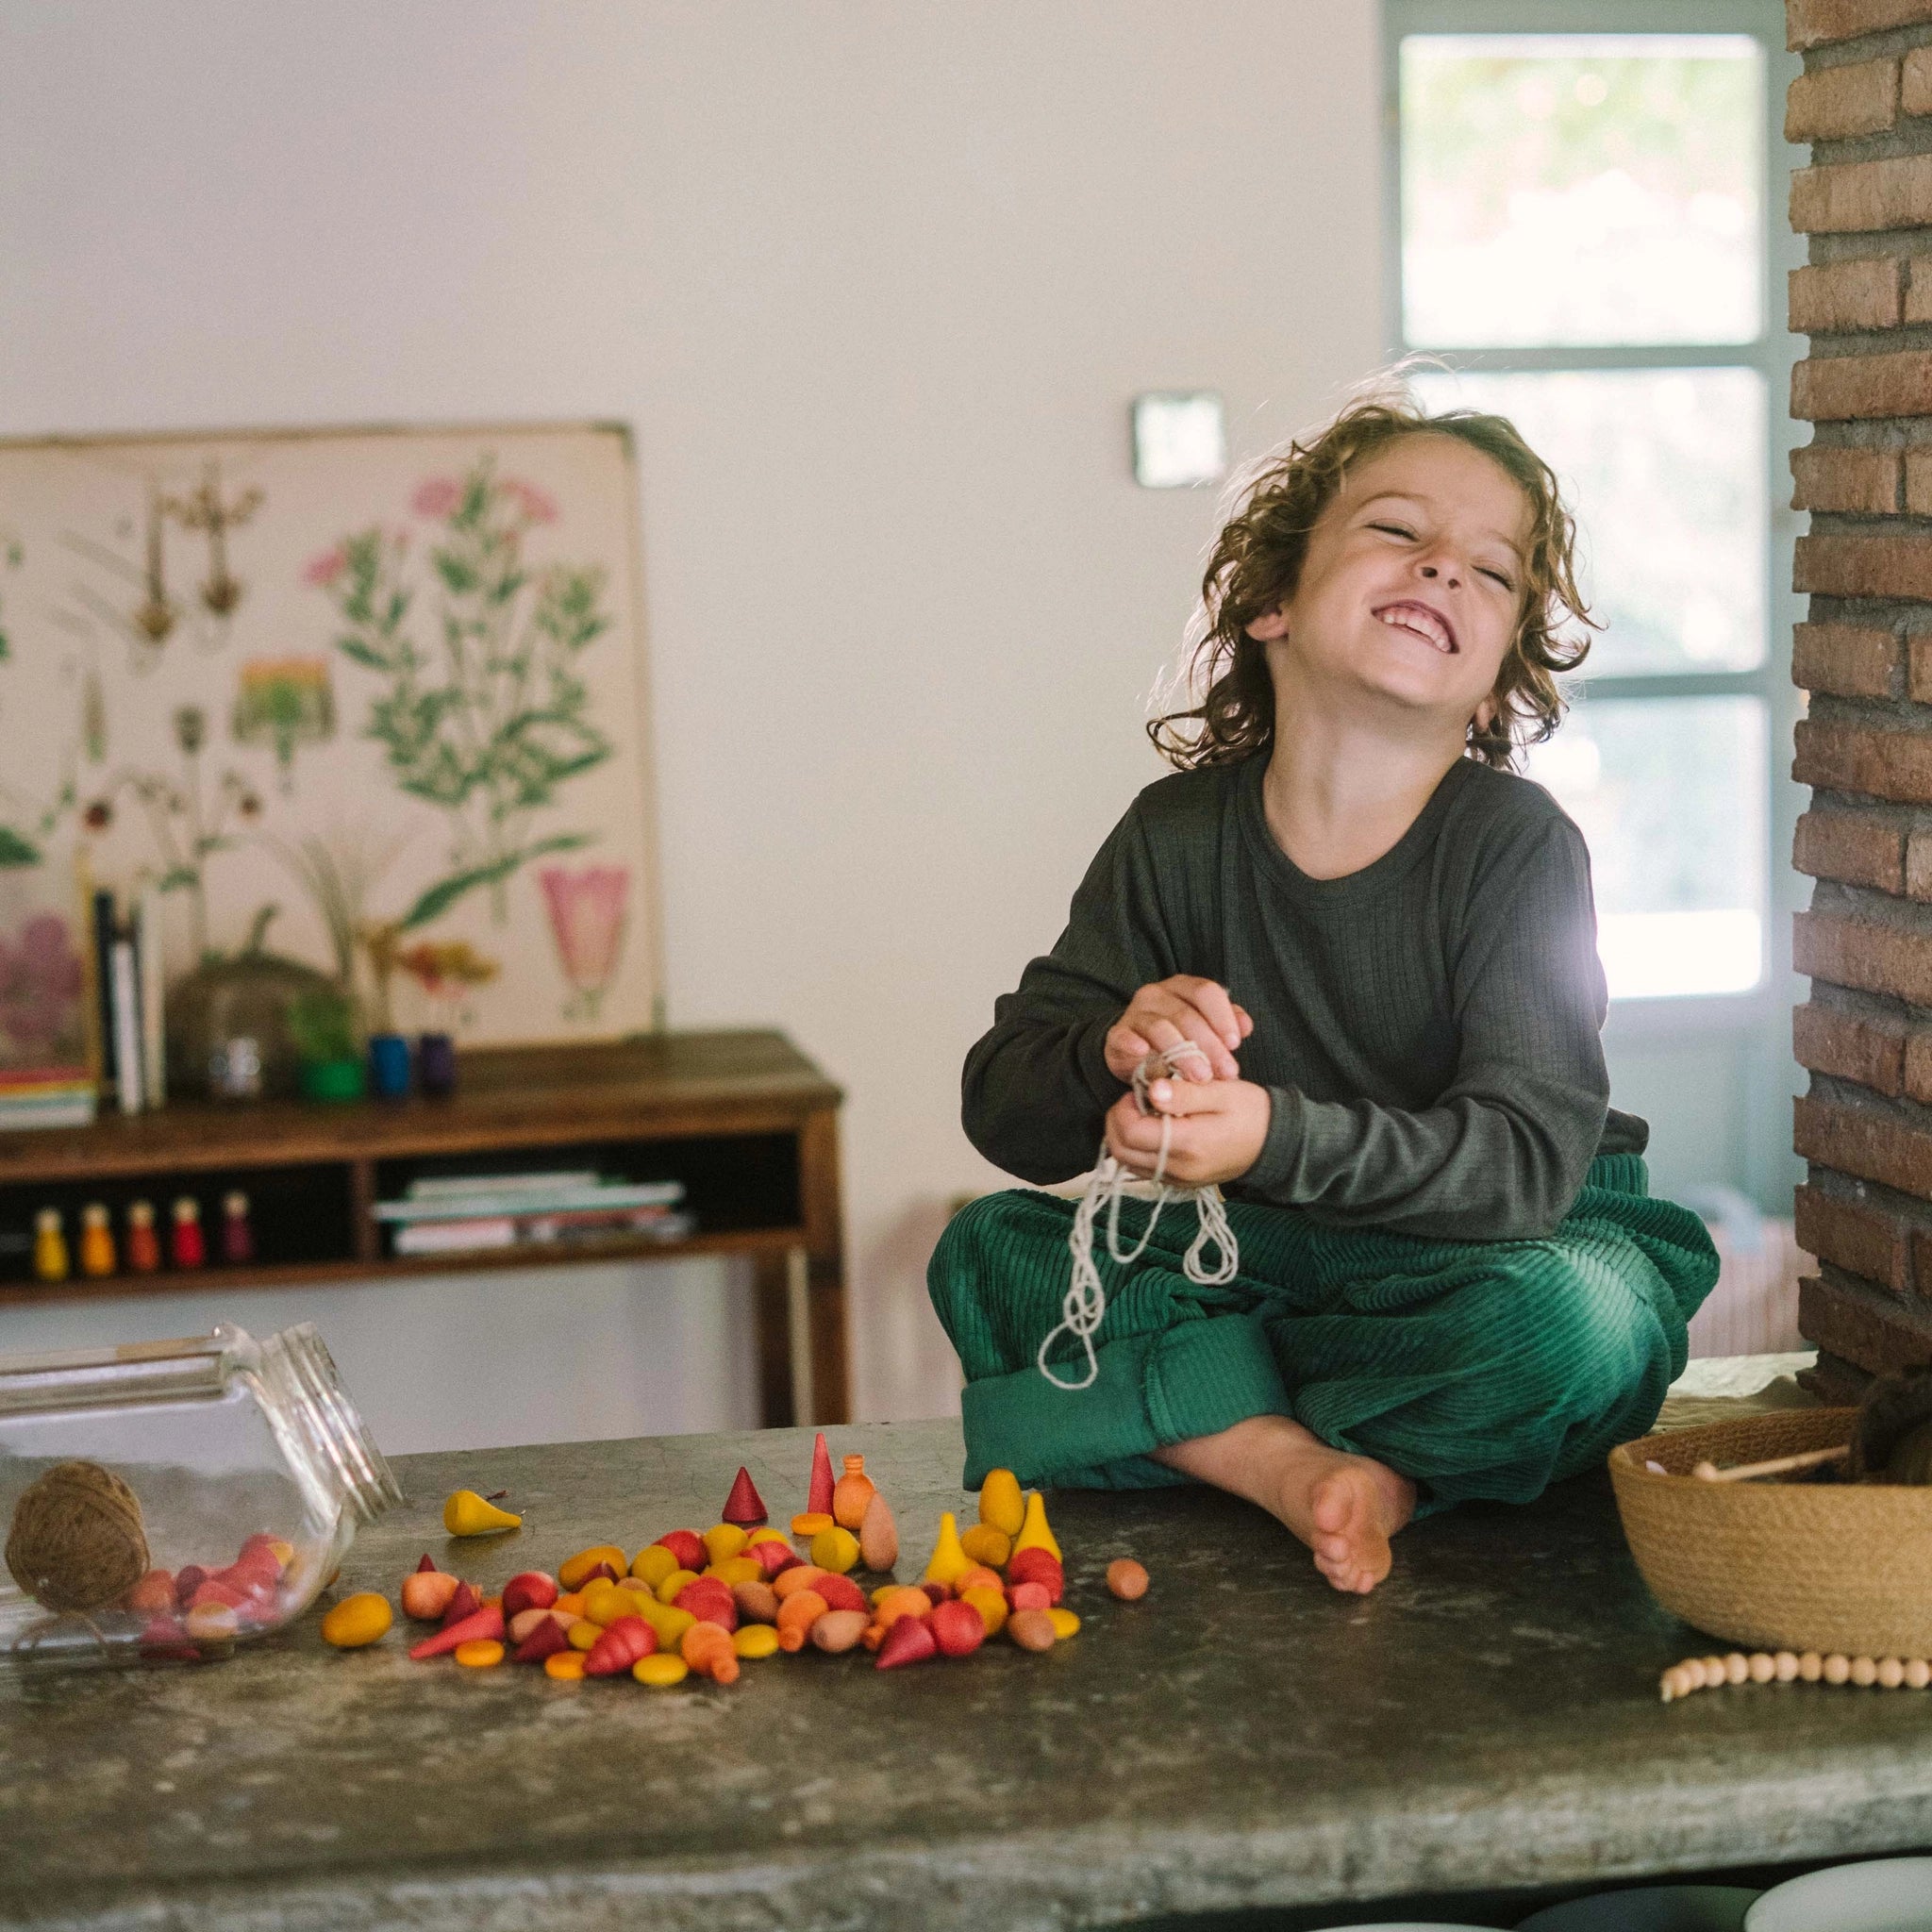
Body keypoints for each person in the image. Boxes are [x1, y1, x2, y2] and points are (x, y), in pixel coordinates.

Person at [927, 391, 1718, 1595]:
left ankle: (1228, 1415)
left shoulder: (1514, 848)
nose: (1443, 565)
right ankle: (1296, 1459)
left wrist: (1269, 1135)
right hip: (1250, 1255)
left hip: (1499, 1249)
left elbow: (1517, 1166)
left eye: (1489, 571)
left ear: (1499, 671)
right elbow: (1003, 1107)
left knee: (1574, 1330)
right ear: (1272, 602)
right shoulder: (1174, 834)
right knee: (987, 1252)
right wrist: (1108, 1051)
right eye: (1398, 531)